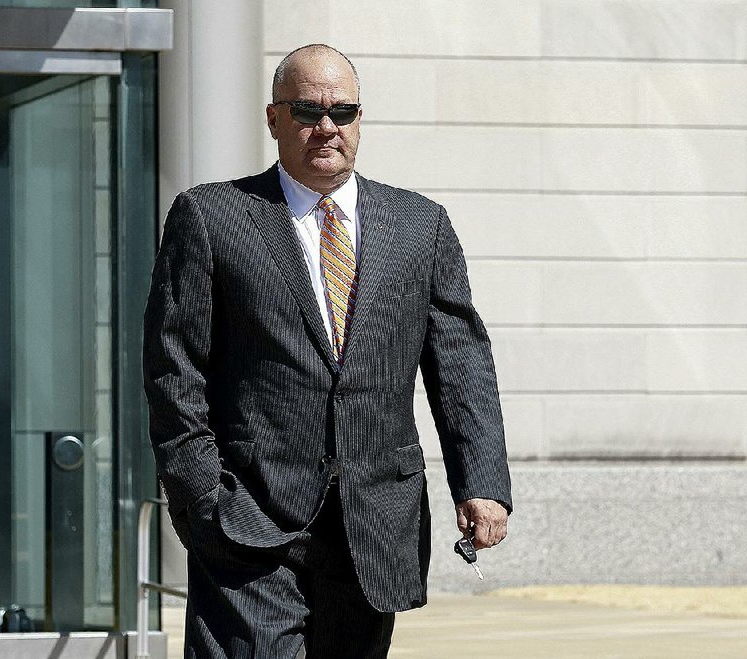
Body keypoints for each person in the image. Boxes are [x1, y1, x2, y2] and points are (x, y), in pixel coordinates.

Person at [143, 43, 512, 658]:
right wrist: (204, 500)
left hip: (374, 524)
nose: (326, 127)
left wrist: (481, 482)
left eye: (343, 112)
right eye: (307, 110)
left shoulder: (421, 226)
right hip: (248, 522)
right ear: (273, 119)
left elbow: (460, 363)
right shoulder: (211, 217)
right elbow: (173, 372)